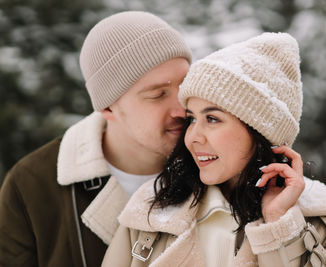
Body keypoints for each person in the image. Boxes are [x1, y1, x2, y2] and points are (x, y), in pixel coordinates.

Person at [102, 33, 326, 266]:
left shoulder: (323, 222)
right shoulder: (150, 212)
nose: (192, 138)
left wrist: (279, 227)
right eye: (191, 119)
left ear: (260, 132)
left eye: (212, 119)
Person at [0, 11, 192, 267]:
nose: (182, 108)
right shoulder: (32, 185)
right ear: (108, 108)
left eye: (186, 83)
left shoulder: (224, 165)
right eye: (158, 95)